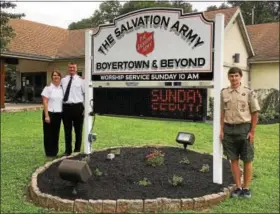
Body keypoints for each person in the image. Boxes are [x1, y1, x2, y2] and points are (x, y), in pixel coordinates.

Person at [220, 67, 260, 199]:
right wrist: (221, 129)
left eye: (236, 76)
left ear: (240, 76)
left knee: (247, 159)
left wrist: (252, 131)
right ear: (228, 77)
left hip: (244, 129)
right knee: (233, 159)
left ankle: (246, 188)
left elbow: (255, 112)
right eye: (231, 76)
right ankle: (238, 187)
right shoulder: (224, 93)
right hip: (229, 129)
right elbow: (222, 113)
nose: (234, 78)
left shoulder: (248, 92)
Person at [61, 62, 85, 156]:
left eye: (73, 68)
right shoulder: (63, 80)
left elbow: (85, 94)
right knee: (67, 130)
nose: (72, 69)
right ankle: (68, 151)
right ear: (68, 68)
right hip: (66, 108)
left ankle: (77, 150)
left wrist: (85, 108)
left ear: (76, 68)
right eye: (70, 68)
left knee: (78, 130)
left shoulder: (81, 81)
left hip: (78, 107)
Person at [41, 71, 63, 157]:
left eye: (57, 75)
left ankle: (55, 152)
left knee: (55, 133)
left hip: (58, 114)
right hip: (49, 113)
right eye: (54, 75)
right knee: (48, 134)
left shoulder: (62, 88)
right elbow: (45, 102)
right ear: (51, 77)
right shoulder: (48, 88)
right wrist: (46, 115)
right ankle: (49, 152)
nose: (56, 76)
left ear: (60, 77)